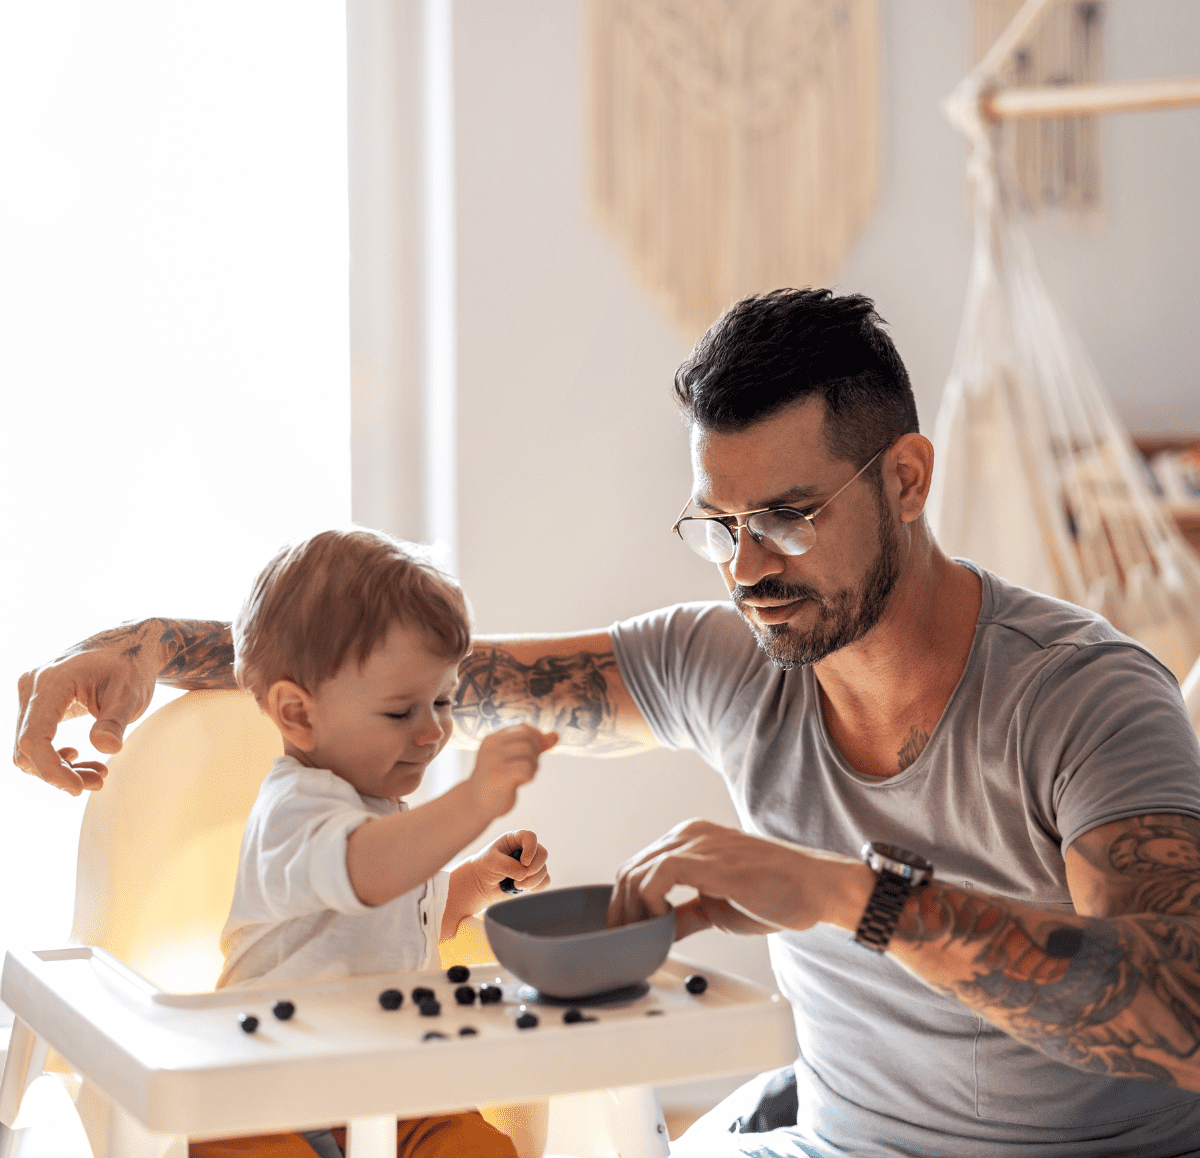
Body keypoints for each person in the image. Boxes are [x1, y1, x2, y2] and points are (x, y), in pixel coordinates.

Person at [15, 288, 1200, 1157]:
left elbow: (1181, 1013)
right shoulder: (733, 658)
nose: (746, 567)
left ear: (906, 480)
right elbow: (404, 675)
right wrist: (145, 649)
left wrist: (848, 894)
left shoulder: (1083, 697)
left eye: (785, 516)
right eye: (717, 523)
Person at [192, 527, 557, 1158]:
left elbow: (403, 921)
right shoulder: (295, 811)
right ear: (298, 714)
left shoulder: (385, 816)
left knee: (477, 1145)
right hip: (259, 1089)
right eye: (401, 712)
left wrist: (475, 881)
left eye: (442, 700)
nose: (435, 732)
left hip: (390, 1087)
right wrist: (471, 801)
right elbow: (367, 873)